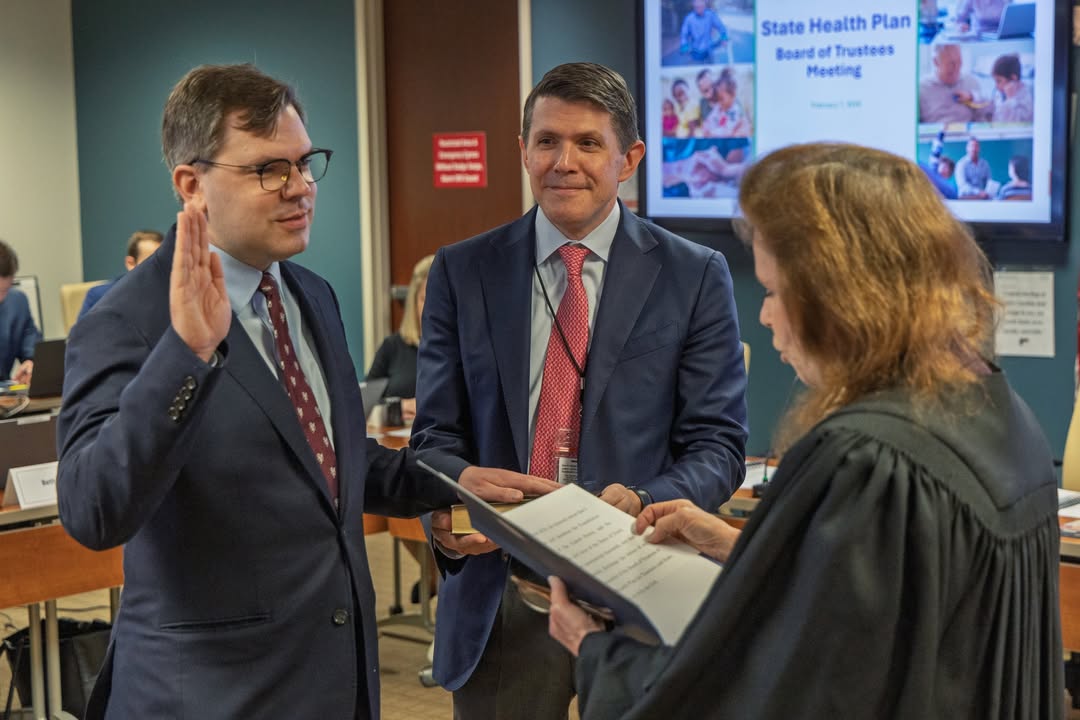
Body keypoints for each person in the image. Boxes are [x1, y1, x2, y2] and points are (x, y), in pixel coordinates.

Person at [55, 63, 554, 720]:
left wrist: (451, 483)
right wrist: (187, 354)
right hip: (211, 697)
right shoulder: (127, 318)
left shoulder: (309, 295)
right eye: (269, 170)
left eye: (305, 162)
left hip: (334, 684)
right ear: (190, 184)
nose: (301, 188)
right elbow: (93, 510)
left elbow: (330, 464)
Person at [546, 142, 1063, 720]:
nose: (765, 315)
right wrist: (744, 546)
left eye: (772, 291)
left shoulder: (865, 458)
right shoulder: (996, 408)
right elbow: (899, 609)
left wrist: (597, 652)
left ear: (838, 298)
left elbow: (780, 695)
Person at [411, 61, 748, 720]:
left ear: (630, 159)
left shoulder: (694, 275)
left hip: (637, 587)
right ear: (523, 152)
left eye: (589, 143)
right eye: (547, 141)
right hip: (502, 594)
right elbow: (435, 437)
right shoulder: (462, 270)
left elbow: (717, 446)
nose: (564, 161)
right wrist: (447, 507)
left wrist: (648, 499)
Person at [367, 254, 434, 422]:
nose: (432, 308)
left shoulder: (465, 349)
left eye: (439, 299)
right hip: (397, 440)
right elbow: (361, 404)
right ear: (414, 302)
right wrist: (395, 408)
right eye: (425, 299)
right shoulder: (391, 347)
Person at [77, 229, 163, 319]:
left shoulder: (171, 296)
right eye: (151, 262)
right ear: (131, 263)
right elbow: (83, 332)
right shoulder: (100, 296)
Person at [0, 240, 40, 383]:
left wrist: (30, 362)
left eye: (4, 290)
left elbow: (30, 341)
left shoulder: (17, 302)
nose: (1, 298)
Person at [918, 43, 990, 124]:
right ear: (936, 62)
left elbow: (985, 115)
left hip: (966, 134)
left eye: (959, 62)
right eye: (951, 63)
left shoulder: (970, 82)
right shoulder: (922, 88)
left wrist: (972, 97)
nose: (957, 68)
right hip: (935, 134)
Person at [700, 68, 750, 138]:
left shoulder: (734, 111)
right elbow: (711, 118)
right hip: (717, 134)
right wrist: (706, 126)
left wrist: (713, 133)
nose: (719, 102)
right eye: (718, 99)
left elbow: (728, 130)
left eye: (722, 99)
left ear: (733, 95)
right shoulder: (719, 106)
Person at [991, 53, 1033, 123]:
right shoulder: (999, 94)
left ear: (1013, 78)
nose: (996, 86)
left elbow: (1014, 122)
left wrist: (1010, 99)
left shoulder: (1026, 96)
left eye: (999, 81)